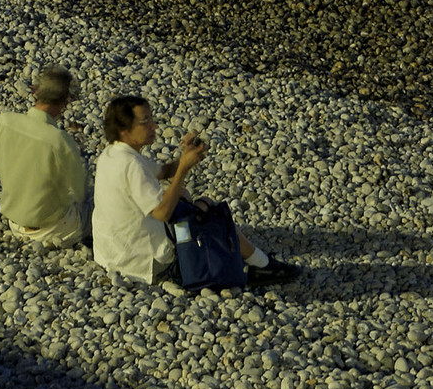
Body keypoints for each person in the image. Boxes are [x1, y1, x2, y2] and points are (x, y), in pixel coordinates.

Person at [91, 94, 297, 287]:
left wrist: (187, 155)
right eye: (145, 122)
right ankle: (263, 265)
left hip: (111, 253)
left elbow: (162, 172)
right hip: (145, 264)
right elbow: (162, 213)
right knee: (211, 213)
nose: (153, 126)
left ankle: (252, 257)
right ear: (124, 130)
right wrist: (183, 169)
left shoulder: (112, 154)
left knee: (185, 197)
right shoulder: (132, 165)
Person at [0, 65, 90, 247]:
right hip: (54, 229)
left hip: (15, 224)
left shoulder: (3, 122)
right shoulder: (59, 141)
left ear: (35, 91)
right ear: (65, 102)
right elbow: (80, 190)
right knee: (96, 201)